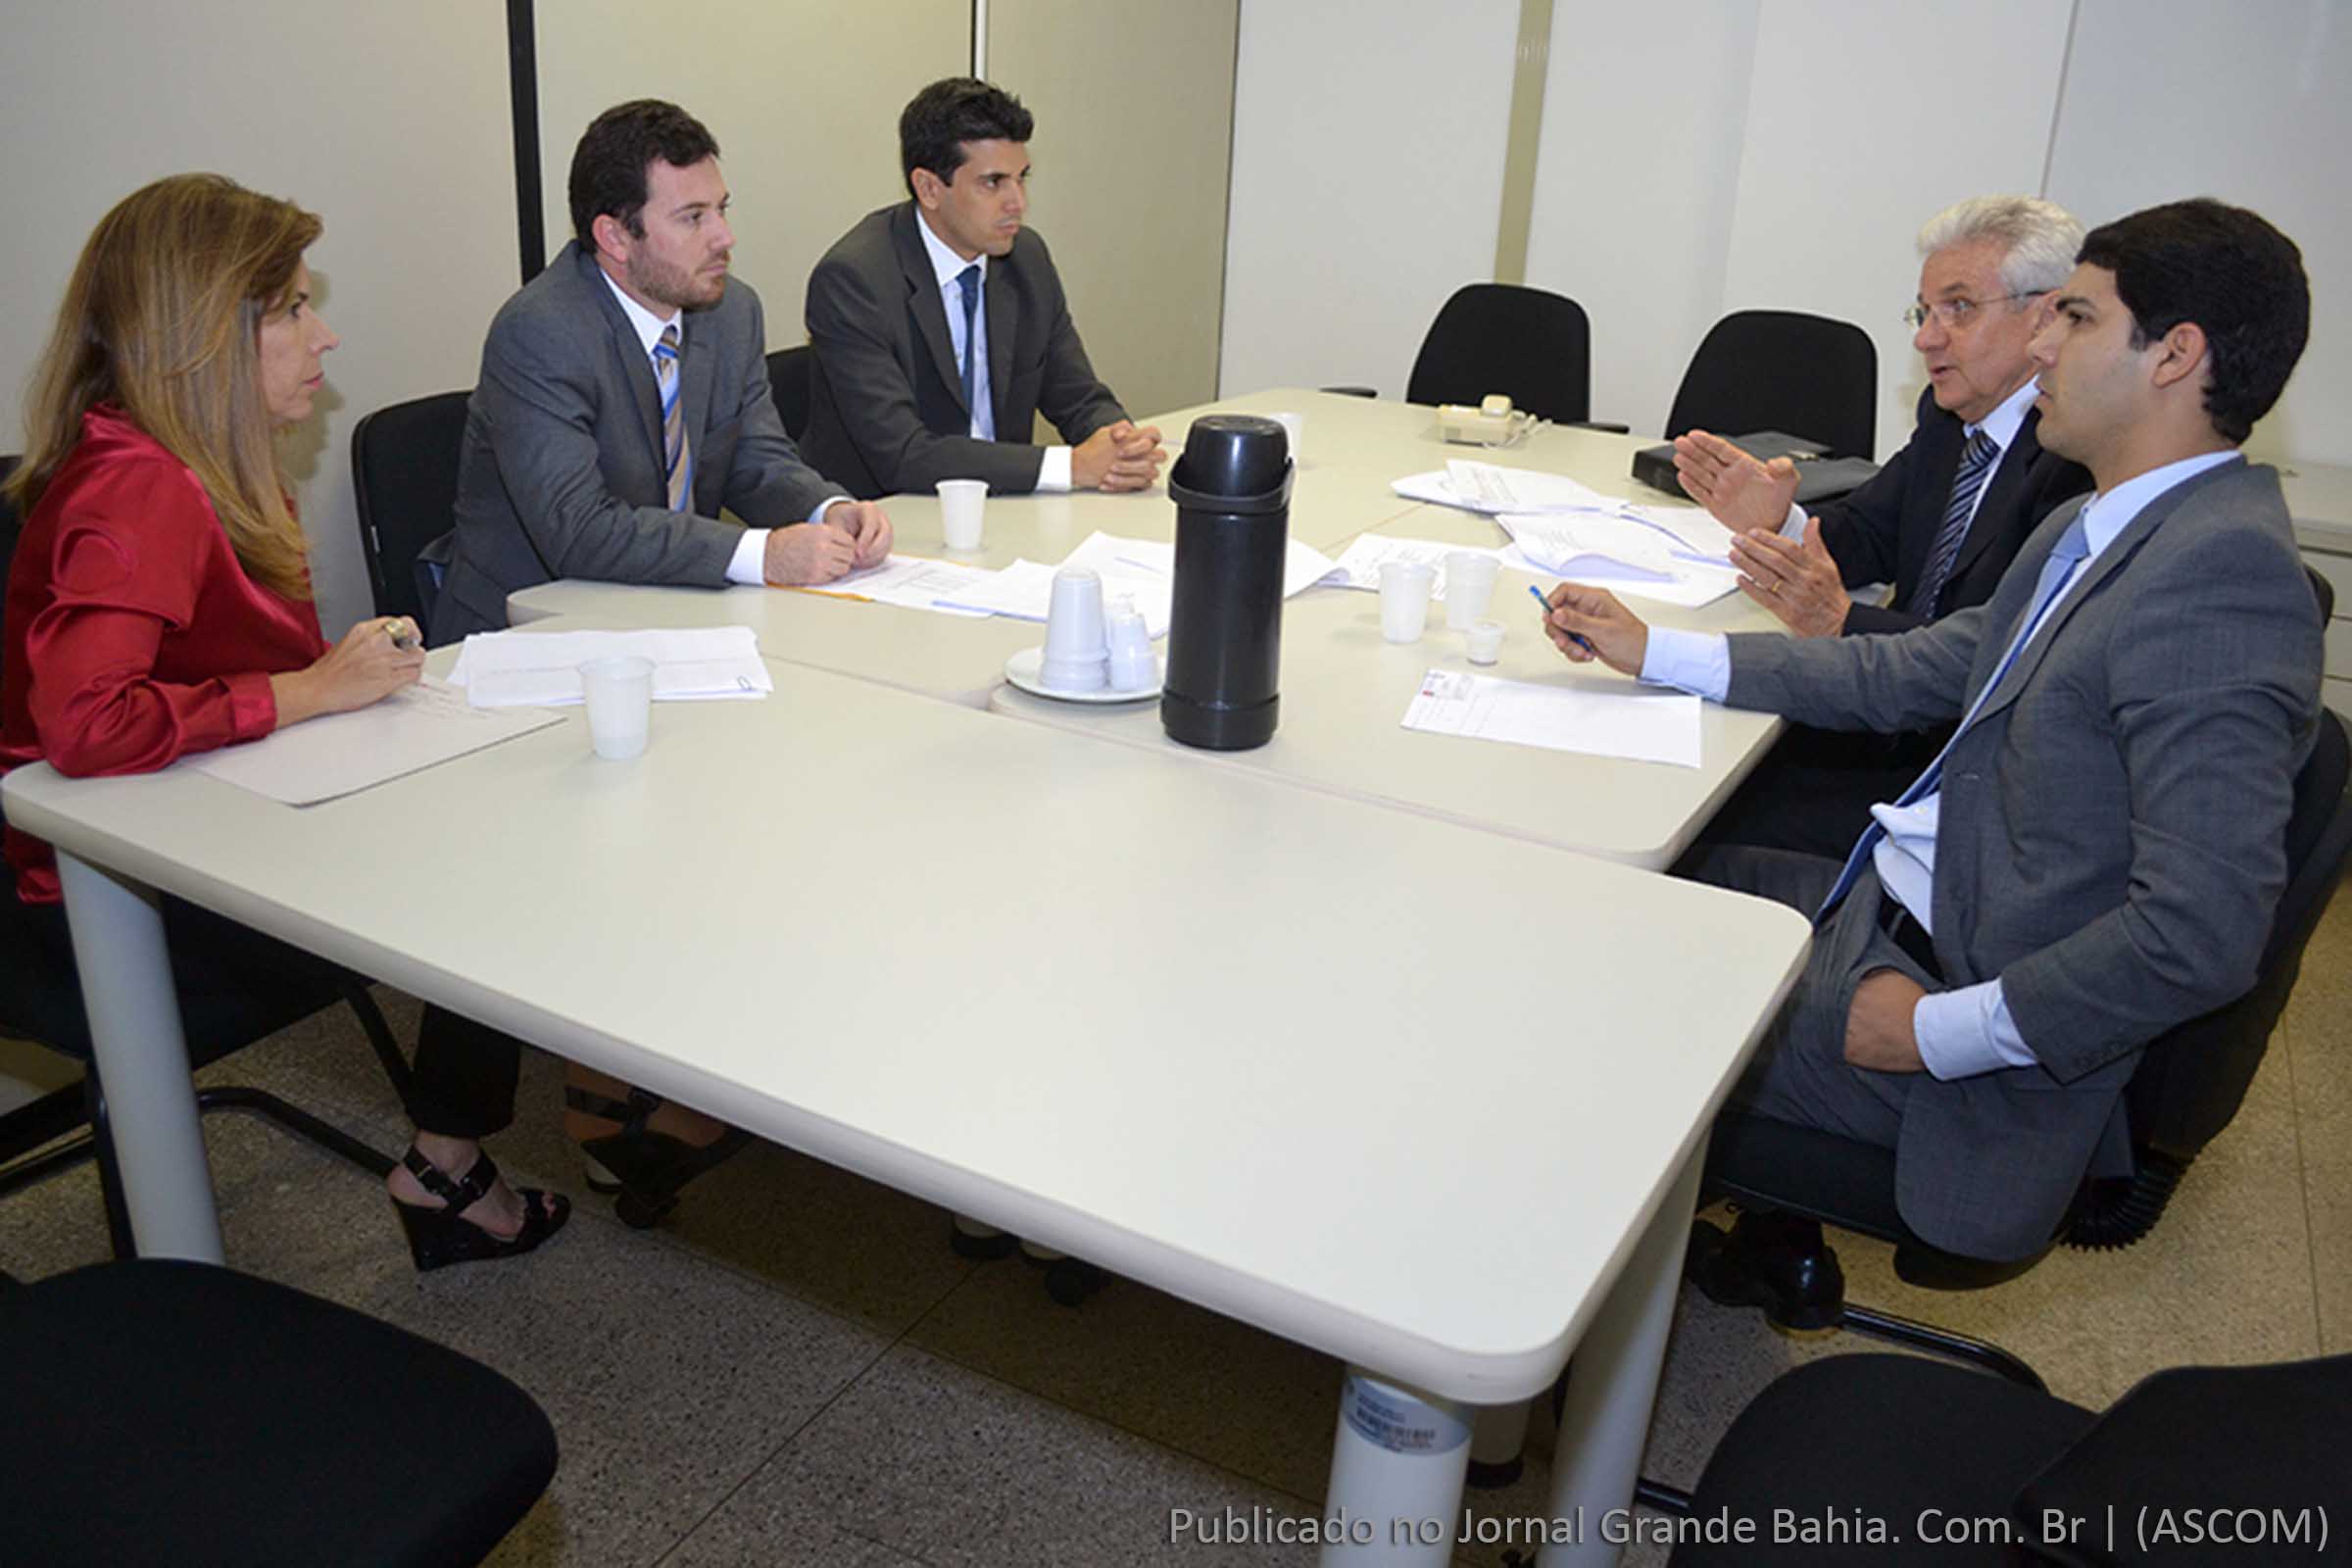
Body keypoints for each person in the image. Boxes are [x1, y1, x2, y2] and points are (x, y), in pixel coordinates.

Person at [1540, 199, 2321, 1292]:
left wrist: (1938, 1032)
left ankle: (1499, 1330)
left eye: (2078, 319)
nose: (2043, 346)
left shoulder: (2223, 579)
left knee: (1558, 990)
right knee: (1603, 890)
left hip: (1949, 1031)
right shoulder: (2104, 524)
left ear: (2174, 355)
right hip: (1902, 910)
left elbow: (2201, 932)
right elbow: (1915, 669)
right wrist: (1656, 651)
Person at [0, 174, 566, 1270]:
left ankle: (450, 1159)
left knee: (494, 820)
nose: (326, 334)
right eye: (295, 309)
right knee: (505, 858)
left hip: (198, 820)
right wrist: (312, 690)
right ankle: (447, 1164)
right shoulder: (141, 485)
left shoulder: (192, 458)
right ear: (207, 335)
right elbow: (84, 722)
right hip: (99, 894)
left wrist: (325, 681)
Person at [1674, 197, 2093, 858]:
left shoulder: (2075, 461)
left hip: (1949, 775)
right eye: (1924, 312)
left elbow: (1997, 662)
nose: (1927, 338)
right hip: (1876, 714)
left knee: (1700, 818)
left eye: (1959, 308)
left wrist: (1842, 620)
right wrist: (1780, 519)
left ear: (2044, 315)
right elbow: (1873, 531)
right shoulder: (1951, 416)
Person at [428, 99, 891, 645]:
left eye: (721, 209)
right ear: (615, 237)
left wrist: (825, 509)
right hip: (532, 632)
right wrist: (761, 554)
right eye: (693, 217)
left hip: (672, 610)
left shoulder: (731, 311)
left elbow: (756, 459)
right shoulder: (541, 331)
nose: (724, 237)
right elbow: (580, 530)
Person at [800, 76, 1166, 500]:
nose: (1018, 203)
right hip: (883, 515)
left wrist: (1120, 445)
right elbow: (904, 455)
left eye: (1021, 178)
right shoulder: (855, 280)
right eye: (993, 182)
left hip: (1002, 505)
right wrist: (1075, 466)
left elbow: (1078, 396)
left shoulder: (1025, 259)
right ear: (929, 188)